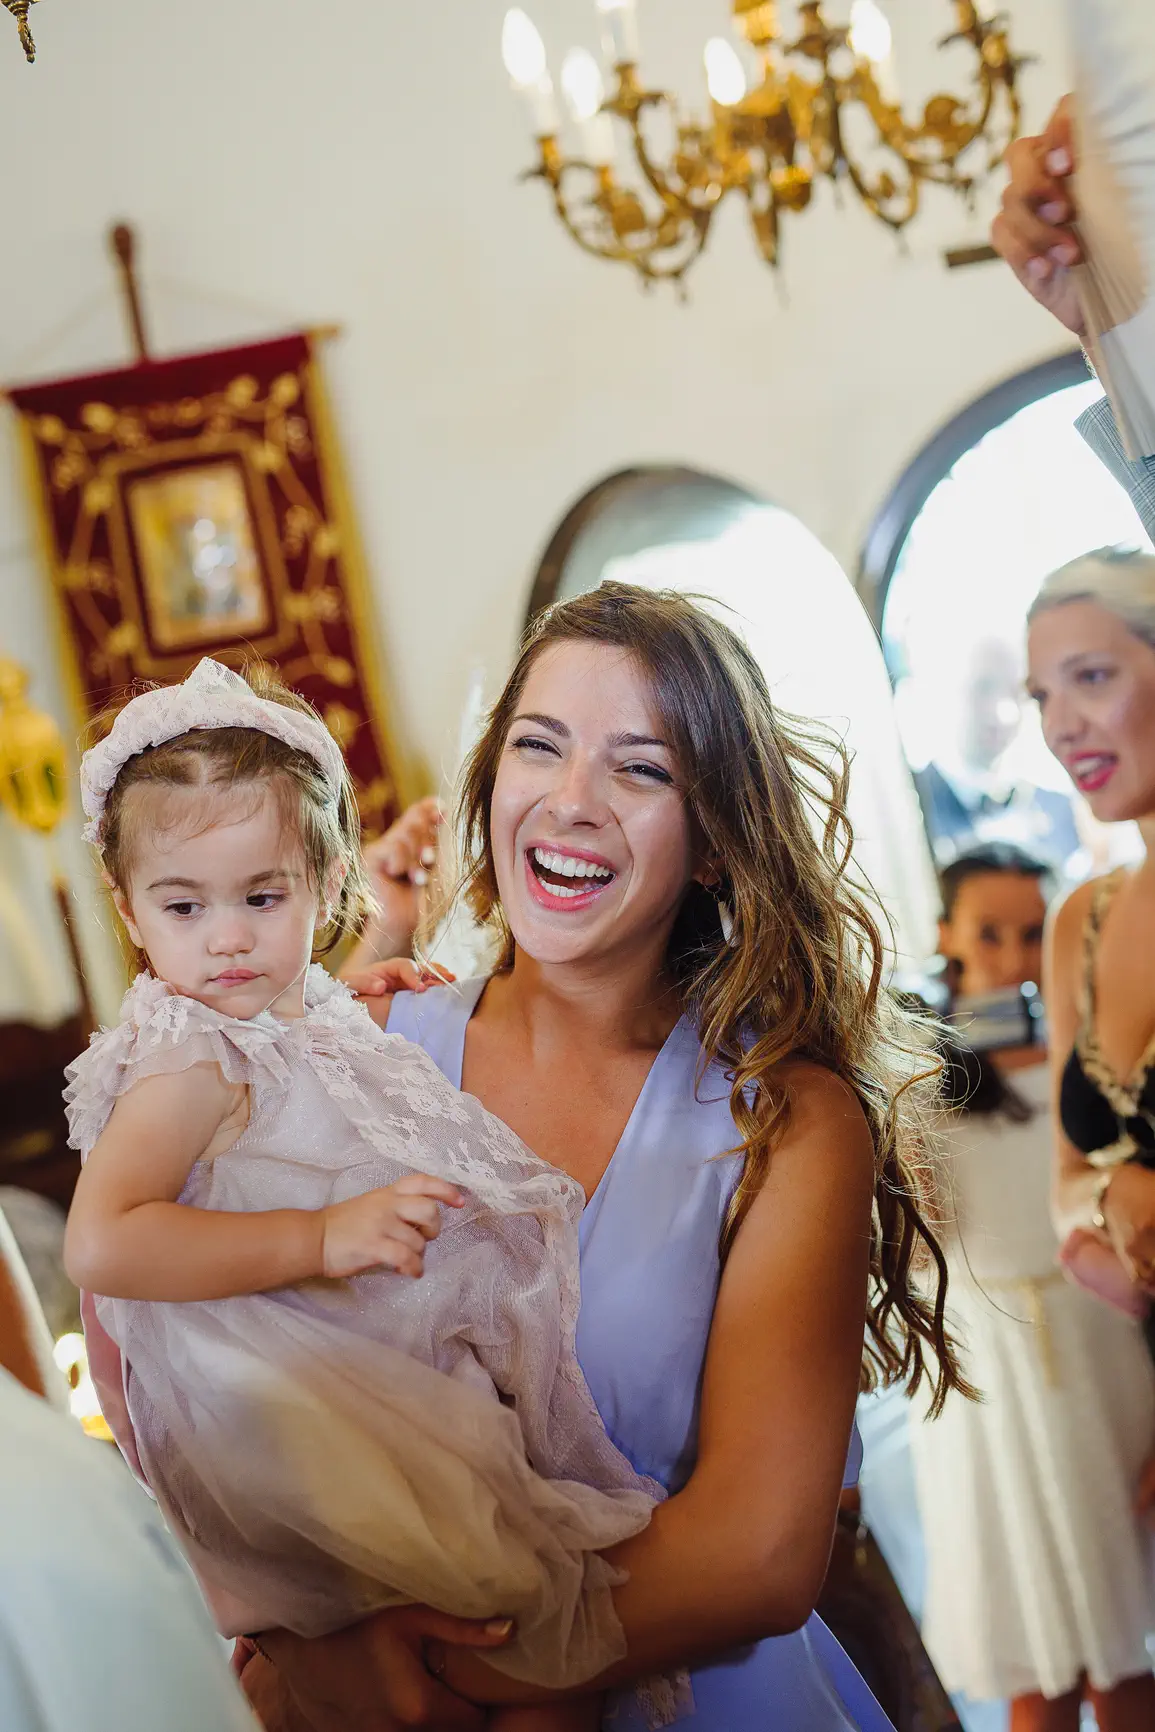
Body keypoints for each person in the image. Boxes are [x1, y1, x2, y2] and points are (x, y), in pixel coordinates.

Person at [240, 581, 970, 1731]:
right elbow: (218, 1394)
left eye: (640, 768)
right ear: (492, 787)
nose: (572, 800)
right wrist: (291, 1630)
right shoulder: (359, 1051)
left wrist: (415, 1672)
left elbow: (759, 1550)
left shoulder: (783, 1120)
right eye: (540, 746)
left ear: (717, 842)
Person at [64, 654, 677, 1732]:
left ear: (324, 883)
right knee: (509, 1632)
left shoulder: (268, 1015)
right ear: (128, 909)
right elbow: (102, 1245)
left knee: (517, 1643)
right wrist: (321, 1237)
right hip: (290, 1419)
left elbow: (281, 1098)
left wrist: (355, 977)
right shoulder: (182, 1058)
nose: (227, 938)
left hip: (347, 1393)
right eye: (184, 905)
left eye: (263, 897)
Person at [908, 844, 1155, 1732]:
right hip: (987, 1380)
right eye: (989, 934)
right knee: (1033, 1666)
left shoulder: (1094, 1060)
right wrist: (899, 1091)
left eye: (1030, 933)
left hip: (1106, 1347)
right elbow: (911, 1251)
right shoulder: (912, 1071)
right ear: (946, 936)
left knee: (1127, 1658)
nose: (1013, 957)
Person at [913, 638, 1080, 872]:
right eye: (983, 688)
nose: (1003, 713)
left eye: (1018, 693)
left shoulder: (1061, 812)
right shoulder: (908, 799)